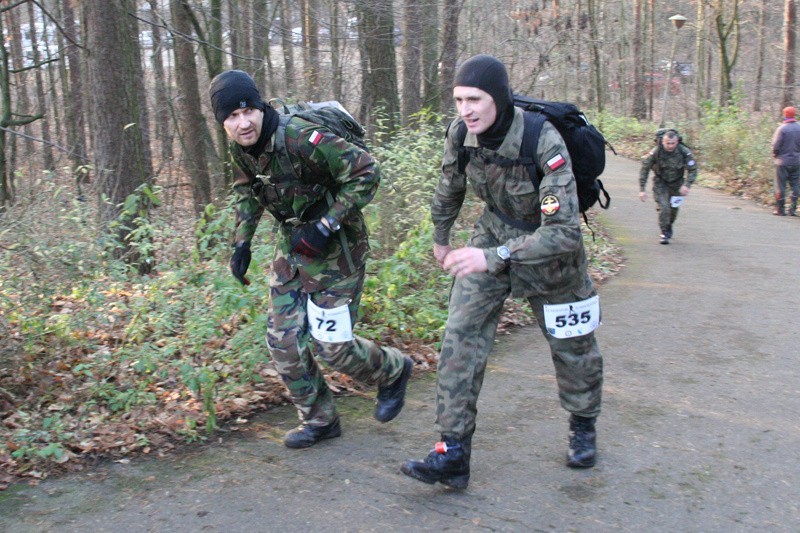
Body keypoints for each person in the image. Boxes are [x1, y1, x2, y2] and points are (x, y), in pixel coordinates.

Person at [400, 55, 604, 489]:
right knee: (461, 333)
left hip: (552, 258)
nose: (465, 109)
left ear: (499, 97)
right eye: (458, 100)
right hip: (493, 235)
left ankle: (583, 422)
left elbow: (564, 232)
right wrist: (441, 236)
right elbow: (449, 185)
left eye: (474, 99)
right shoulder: (461, 134)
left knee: (573, 347)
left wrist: (492, 258)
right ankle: (452, 451)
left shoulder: (542, 141)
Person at [209, 70, 413, 448]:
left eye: (247, 111)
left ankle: (393, 370)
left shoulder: (300, 136)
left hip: (338, 249)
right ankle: (320, 420)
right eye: (232, 117)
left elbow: (367, 171)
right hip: (293, 247)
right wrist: (241, 244)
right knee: (282, 342)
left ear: (259, 106)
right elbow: (247, 191)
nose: (243, 123)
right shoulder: (241, 147)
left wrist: (325, 226)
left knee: (331, 345)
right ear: (222, 122)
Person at [639, 130, 697, 244]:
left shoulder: (684, 151)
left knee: (673, 210)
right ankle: (664, 232)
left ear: (677, 142)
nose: (670, 146)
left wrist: (687, 185)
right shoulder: (656, 152)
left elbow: (693, 169)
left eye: (673, 143)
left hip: (677, 184)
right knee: (664, 207)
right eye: (667, 143)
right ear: (662, 142)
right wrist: (642, 189)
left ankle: (669, 225)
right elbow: (645, 169)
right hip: (661, 182)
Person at [771, 106, 800, 216]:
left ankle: (780, 209)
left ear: (785, 115)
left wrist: (775, 155)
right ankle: (793, 209)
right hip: (797, 162)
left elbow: (776, 146)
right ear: (794, 115)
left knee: (780, 185)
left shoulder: (782, 129)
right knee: (795, 185)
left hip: (782, 162)